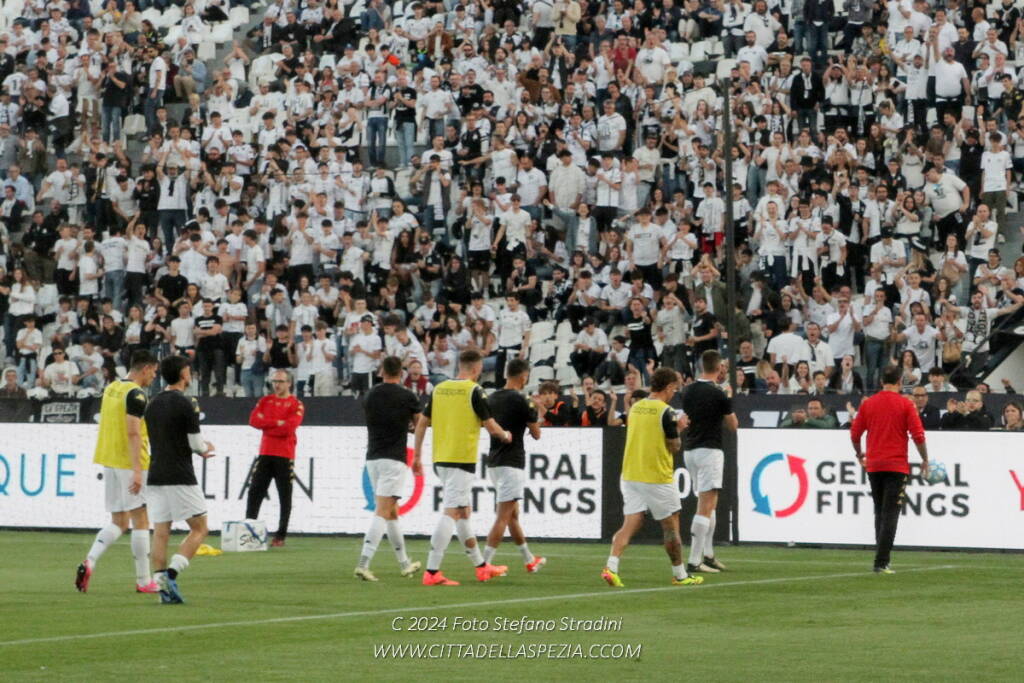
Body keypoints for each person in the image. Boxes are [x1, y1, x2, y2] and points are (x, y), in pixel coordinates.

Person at [413, 349, 512, 586]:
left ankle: (481, 566)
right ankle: (432, 570)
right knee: (452, 512)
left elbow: (422, 423)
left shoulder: (439, 389)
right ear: (477, 369)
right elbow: (490, 426)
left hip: (441, 459)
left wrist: (417, 455)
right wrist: (506, 435)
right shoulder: (474, 391)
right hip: (461, 460)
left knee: (463, 512)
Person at [601, 367, 703, 588]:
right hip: (656, 476)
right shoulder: (667, 412)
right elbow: (674, 446)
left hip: (630, 474)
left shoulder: (636, 407)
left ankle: (611, 566)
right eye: (674, 389)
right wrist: (681, 427)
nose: (674, 393)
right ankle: (680, 574)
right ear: (667, 387)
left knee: (630, 523)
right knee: (671, 526)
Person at [75, 351, 160, 594]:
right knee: (141, 519)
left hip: (109, 459)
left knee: (119, 521)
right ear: (145, 369)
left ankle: (89, 561)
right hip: (129, 462)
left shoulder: (113, 387)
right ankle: (144, 581)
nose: (154, 376)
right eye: (153, 371)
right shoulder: (136, 394)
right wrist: (136, 470)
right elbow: (133, 432)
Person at [145, 355, 216, 603]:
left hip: (155, 475)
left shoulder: (151, 404)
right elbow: (195, 444)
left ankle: (160, 582)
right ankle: (172, 574)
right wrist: (206, 447)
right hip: (180, 475)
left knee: (161, 531)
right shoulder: (187, 404)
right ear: (184, 374)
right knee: (200, 528)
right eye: (189, 370)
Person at [850, 364, 928, 574]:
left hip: (874, 465)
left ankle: (880, 558)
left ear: (881, 382)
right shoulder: (905, 404)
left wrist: (860, 454)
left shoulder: (868, 404)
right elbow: (918, 435)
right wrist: (925, 459)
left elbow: (855, 434)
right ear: (900, 381)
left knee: (879, 511)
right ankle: (882, 561)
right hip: (896, 465)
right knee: (891, 512)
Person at [355, 356, 423, 581]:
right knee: (383, 511)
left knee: (392, 512)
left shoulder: (371, 394)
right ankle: (363, 563)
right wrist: (410, 428)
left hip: (373, 457)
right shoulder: (407, 396)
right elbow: (420, 422)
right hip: (394, 458)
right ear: (401, 373)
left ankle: (404, 563)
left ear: (382, 371)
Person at [482, 358, 546, 574]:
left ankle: (529, 560)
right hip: (512, 462)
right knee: (503, 515)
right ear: (523, 376)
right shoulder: (523, 400)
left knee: (512, 514)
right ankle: (484, 564)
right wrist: (539, 413)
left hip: (493, 462)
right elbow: (536, 433)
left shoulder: (491, 398)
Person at [681, 350, 739, 574]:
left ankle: (708, 554)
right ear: (719, 367)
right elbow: (733, 425)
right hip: (709, 450)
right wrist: (729, 400)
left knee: (708, 503)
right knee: (706, 504)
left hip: (691, 450)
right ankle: (695, 560)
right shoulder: (719, 393)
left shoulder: (687, 390)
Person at [245, 369, 305, 547]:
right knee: (255, 492)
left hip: (284, 455)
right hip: (265, 453)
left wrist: (268, 423)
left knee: (284, 496)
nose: (276, 385)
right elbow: (254, 420)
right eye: (274, 381)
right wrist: (277, 422)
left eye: (280, 381)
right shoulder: (265, 401)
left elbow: (289, 428)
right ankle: (249, 530)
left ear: (289, 383)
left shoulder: (296, 404)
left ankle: (281, 535)